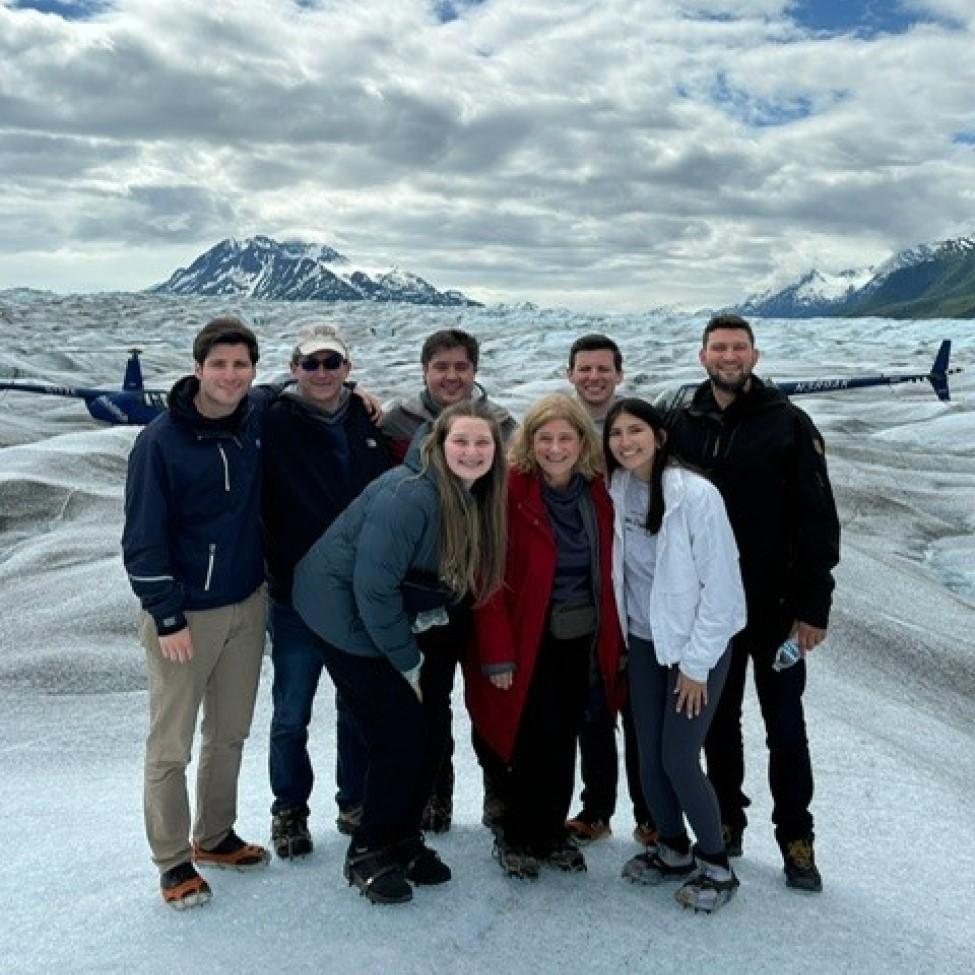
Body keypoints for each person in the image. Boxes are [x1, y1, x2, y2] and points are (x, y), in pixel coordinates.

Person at [292, 401, 507, 904]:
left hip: (386, 615)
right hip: (341, 615)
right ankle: (368, 850)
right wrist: (407, 661)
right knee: (399, 736)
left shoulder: (472, 493)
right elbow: (373, 589)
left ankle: (403, 839)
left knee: (427, 734)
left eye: (483, 443)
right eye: (461, 442)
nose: (472, 452)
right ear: (437, 444)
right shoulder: (409, 496)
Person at [667, 314, 841, 893]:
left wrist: (813, 607)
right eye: (719, 347)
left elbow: (818, 517)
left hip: (776, 608)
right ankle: (727, 821)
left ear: (755, 356)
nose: (729, 357)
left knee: (785, 724)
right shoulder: (681, 424)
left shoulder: (788, 424)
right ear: (703, 356)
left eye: (738, 348)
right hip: (712, 610)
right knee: (717, 722)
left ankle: (796, 836)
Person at [122, 316, 272, 910]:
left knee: (229, 732)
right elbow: (141, 539)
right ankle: (172, 860)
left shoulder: (254, 420)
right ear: (198, 368)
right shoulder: (161, 441)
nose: (230, 376)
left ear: (253, 372)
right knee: (171, 744)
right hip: (186, 615)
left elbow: (293, 391)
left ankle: (214, 836)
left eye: (241, 365)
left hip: (245, 602)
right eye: (219, 364)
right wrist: (166, 615)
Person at [465, 393, 624, 879]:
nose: (556, 448)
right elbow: (486, 575)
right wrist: (496, 654)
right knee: (520, 735)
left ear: (582, 441)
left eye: (566, 438)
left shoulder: (598, 491)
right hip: (521, 636)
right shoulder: (510, 489)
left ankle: (550, 831)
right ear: (529, 443)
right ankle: (515, 834)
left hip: (579, 635)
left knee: (561, 735)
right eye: (545, 438)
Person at [605, 398, 746, 913]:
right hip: (643, 642)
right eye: (617, 433)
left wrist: (696, 664)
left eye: (635, 430)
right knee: (647, 754)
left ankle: (716, 864)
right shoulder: (616, 489)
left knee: (678, 757)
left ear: (659, 436)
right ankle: (672, 849)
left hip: (695, 648)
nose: (626, 441)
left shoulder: (697, 496)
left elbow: (723, 589)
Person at [262, 324, 391, 859]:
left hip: (354, 595)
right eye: (310, 363)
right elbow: (237, 392)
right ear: (293, 368)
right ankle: (289, 809)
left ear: (348, 368)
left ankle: (354, 799)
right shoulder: (271, 418)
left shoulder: (367, 419)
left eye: (331, 364)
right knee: (292, 709)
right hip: (293, 595)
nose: (321, 373)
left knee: (354, 705)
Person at [381, 327, 517, 833]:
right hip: (423, 588)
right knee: (429, 697)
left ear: (475, 372)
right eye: (442, 366)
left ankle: (499, 793)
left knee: (490, 694)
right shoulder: (397, 423)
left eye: (462, 366)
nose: (452, 375)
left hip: (482, 584)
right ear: (425, 370)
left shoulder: (501, 425)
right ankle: (434, 793)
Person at [563, 334, 655, 846]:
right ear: (571, 373)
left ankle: (651, 814)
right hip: (585, 589)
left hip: (637, 589)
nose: (594, 377)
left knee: (641, 710)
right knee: (591, 707)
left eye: (603, 368)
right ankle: (596, 808)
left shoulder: (632, 428)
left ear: (619, 374)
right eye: (585, 369)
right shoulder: (561, 427)